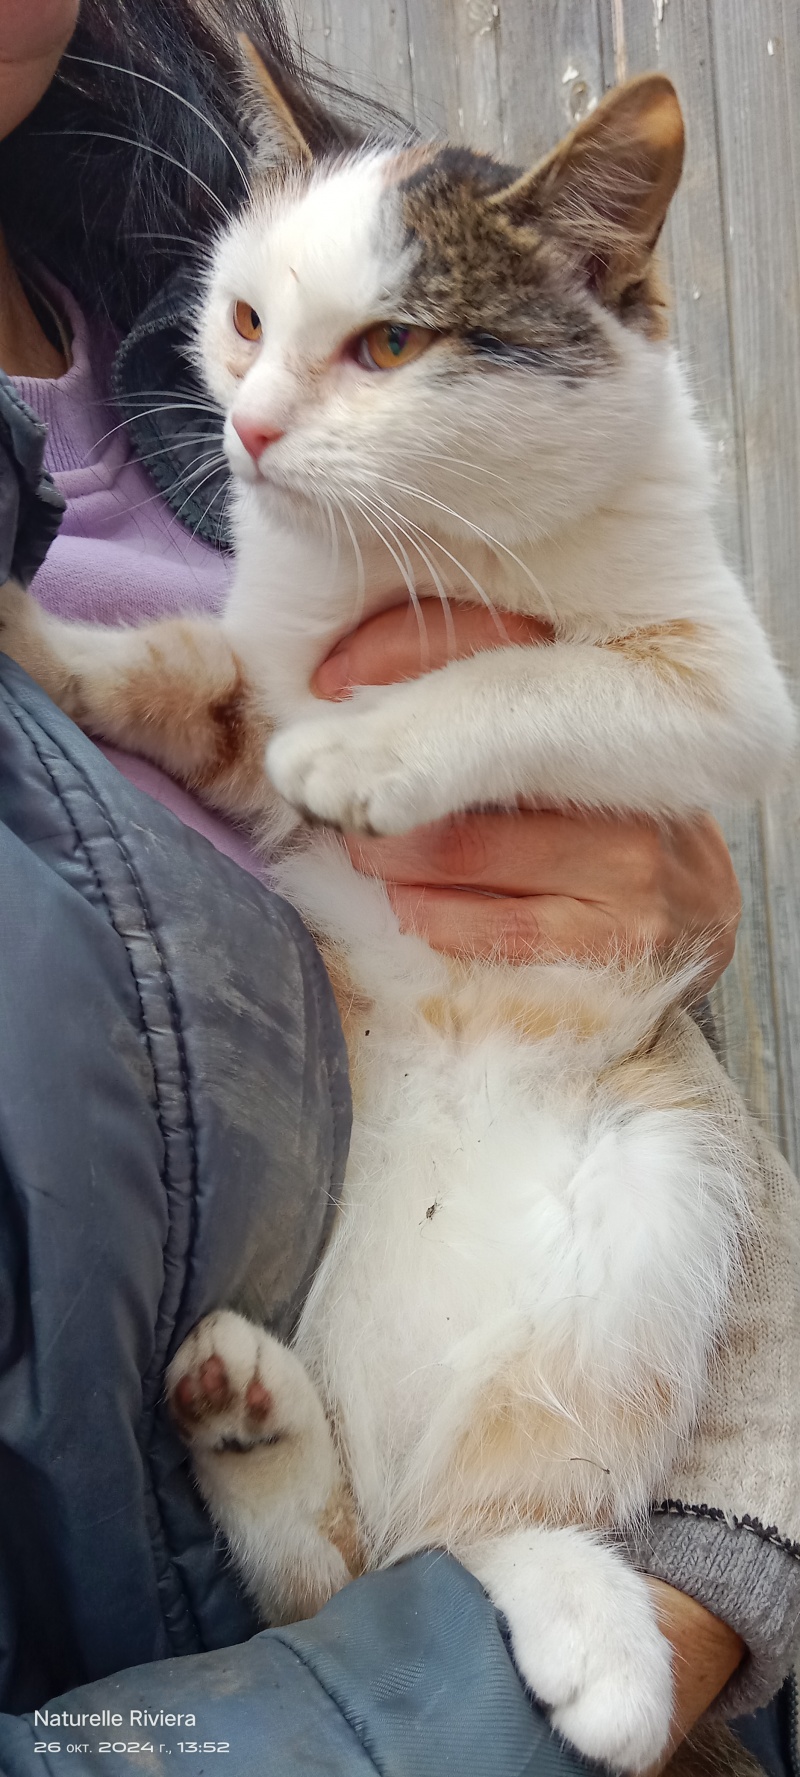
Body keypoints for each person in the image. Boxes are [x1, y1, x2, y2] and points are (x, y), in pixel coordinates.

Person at [0, 4, 797, 1773]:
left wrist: (733, 1545)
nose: (257, 420)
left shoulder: (140, 254)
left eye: (374, 346)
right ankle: (356, 1549)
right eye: (251, 332)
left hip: (617, 1378)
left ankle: (409, 1545)